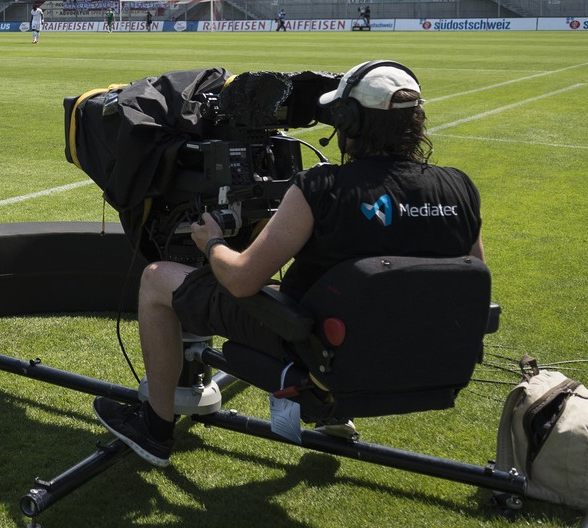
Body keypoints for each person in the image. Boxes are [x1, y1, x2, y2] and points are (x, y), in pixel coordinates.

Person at [94, 60, 484, 467]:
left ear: (347, 121)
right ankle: (337, 411)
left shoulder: (322, 188)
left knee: (158, 279)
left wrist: (211, 243)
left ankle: (155, 428)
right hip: (421, 358)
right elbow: (469, 283)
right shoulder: (461, 187)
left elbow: (242, 280)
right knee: (350, 293)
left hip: (315, 353)